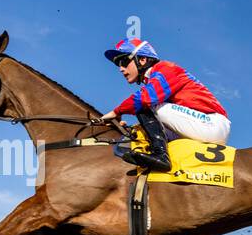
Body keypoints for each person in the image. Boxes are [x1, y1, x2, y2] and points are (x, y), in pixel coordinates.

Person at [98, 38, 230, 172]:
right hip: (197, 125)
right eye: (118, 64)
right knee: (138, 132)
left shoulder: (166, 68)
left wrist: (116, 112)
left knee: (145, 105)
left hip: (211, 124)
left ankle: (161, 157)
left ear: (142, 60)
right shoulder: (155, 78)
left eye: (124, 62)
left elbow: (145, 99)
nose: (121, 68)